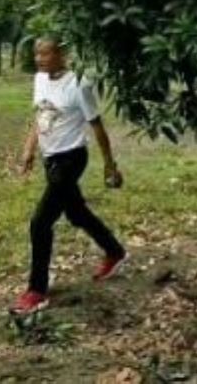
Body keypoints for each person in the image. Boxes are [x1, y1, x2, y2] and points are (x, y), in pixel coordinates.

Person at [11, 36, 127, 315]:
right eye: (37, 54)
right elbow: (40, 117)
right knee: (76, 213)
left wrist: (109, 164)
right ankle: (115, 251)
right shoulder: (39, 79)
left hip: (73, 157)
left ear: (62, 54)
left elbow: (97, 126)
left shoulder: (79, 83)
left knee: (40, 223)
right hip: (50, 159)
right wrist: (29, 150)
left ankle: (36, 290)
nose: (39, 59)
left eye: (46, 54)